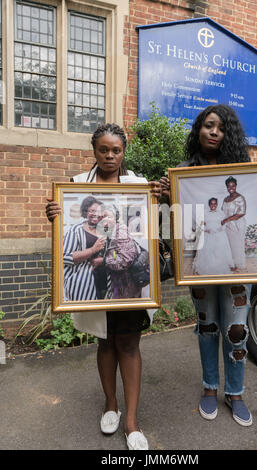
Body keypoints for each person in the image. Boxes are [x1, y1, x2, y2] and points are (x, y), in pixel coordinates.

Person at [160, 104, 257, 427]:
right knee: (208, 327)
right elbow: (179, 221)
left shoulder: (245, 170)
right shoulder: (183, 171)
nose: (214, 132)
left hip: (230, 260)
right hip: (201, 258)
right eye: (208, 125)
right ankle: (210, 388)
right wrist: (166, 196)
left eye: (221, 128)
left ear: (229, 135)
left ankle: (236, 393)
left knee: (236, 330)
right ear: (198, 128)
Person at [46, 123, 162, 450]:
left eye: (116, 150)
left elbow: (147, 232)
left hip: (124, 287)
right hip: (95, 288)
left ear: (124, 151)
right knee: (106, 343)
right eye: (103, 149)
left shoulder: (139, 186)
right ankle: (111, 404)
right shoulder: (74, 187)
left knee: (128, 345)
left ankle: (132, 421)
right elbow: (64, 238)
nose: (110, 155)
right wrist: (53, 213)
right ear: (93, 150)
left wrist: (165, 194)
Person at [63, 196, 106, 301]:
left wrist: (103, 260)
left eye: (99, 211)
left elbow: (111, 253)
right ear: (85, 211)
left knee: (103, 315)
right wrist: (92, 250)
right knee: (86, 315)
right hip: (82, 283)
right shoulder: (75, 230)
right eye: (92, 211)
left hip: (103, 281)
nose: (96, 214)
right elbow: (65, 257)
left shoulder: (105, 230)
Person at [192, 197, 234, 275]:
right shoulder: (205, 213)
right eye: (211, 203)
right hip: (208, 234)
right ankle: (208, 266)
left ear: (217, 204)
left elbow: (224, 223)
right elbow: (200, 224)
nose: (213, 205)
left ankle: (219, 265)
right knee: (208, 251)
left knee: (219, 250)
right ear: (209, 204)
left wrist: (220, 229)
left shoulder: (221, 213)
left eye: (215, 203)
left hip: (219, 234)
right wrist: (206, 229)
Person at [221, 177, 247, 271]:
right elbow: (222, 212)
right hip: (227, 225)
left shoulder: (240, 198)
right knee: (228, 245)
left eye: (233, 186)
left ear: (236, 186)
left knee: (236, 245)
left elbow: (241, 213)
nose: (231, 188)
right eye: (229, 186)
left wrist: (227, 220)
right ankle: (230, 263)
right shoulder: (225, 199)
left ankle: (237, 264)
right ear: (227, 187)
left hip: (237, 225)